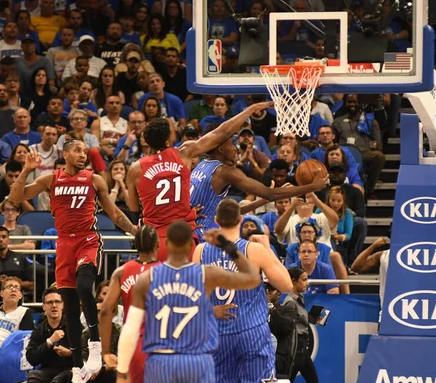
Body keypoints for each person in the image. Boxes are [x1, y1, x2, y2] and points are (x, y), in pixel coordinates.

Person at [8, 140, 138, 382]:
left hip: (87, 239)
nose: (82, 155)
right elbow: (16, 197)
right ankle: (78, 368)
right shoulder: (51, 179)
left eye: (85, 152)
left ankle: (96, 344)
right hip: (65, 244)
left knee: (83, 286)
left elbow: (113, 212)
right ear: (64, 154)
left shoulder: (94, 179)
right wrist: (26, 169)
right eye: (77, 150)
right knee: (69, 306)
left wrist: (133, 230)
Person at [127, 102, 274, 262]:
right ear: (169, 140)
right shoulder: (184, 153)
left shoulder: (136, 169)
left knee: (158, 285)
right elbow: (222, 132)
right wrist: (251, 109)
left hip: (154, 239)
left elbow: (135, 212)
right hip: (183, 236)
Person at [115, 221, 260, 382]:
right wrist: (226, 245)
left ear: (166, 244)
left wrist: (121, 372)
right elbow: (253, 278)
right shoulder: (207, 275)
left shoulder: (147, 279)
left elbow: (130, 329)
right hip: (196, 361)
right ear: (192, 244)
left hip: (160, 361)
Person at [192, 198, 292, 382]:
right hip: (251, 332)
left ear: (216, 219)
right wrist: (267, 247)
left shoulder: (200, 251)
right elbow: (287, 285)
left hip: (218, 334)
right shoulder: (253, 250)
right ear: (240, 220)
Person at [189, 124, 326, 241]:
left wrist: (263, 201)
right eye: (231, 144)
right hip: (203, 235)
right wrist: (312, 187)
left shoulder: (201, 165)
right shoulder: (224, 171)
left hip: (190, 231)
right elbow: (270, 194)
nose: (236, 148)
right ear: (220, 149)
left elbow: (235, 212)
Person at [99, 225, 160, 383]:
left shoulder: (121, 272)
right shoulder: (168, 272)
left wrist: (105, 352)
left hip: (131, 344)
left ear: (135, 245)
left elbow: (105, 311)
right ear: (157, 245)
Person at [0, 226, 35, 306]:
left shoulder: (21, 259)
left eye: (4, 237)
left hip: (17, 306)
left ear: (8, 240)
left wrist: (11, 282)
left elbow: (31, 285)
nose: (1, 239)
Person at [26, 288, 74, 383]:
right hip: (48, 370)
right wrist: (49, 342)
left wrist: (69, 353)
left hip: (71, 370)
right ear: (44, 306)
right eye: (50, 302)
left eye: (57, 302)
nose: (54, 305)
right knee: (33, 376)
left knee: (59, 380)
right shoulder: (39, 329)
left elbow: (86, 354)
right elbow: (31, 358)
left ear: (62, 305)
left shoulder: (73, 326)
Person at [281, 268, 319, 382]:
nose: (307, 283)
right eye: (304, 280)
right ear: (294, 281)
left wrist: (311, 319)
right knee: (287, 380)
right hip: (295, 350)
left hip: (303, 350)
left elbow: (299, 321)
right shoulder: (290, 303)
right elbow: (287, 327)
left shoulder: (299, 300)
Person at [0, 276, 35, 347]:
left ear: (20, 295)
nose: (13, 290)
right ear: (1, 293)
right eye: (9, 287)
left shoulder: (24, 312)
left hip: (9, 352)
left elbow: (25, 340)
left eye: (17, 287)